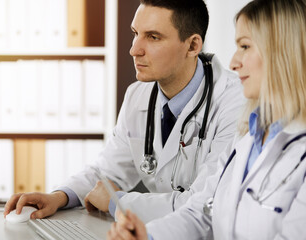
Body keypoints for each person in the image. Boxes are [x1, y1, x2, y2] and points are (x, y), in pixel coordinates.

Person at [4, 0, 244, 223]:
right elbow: (106, 172)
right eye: (135, 34)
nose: (134, 50)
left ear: (192, 45)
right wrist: (59, 197)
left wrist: (118, 202)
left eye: (153, 37)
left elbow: (206, 203)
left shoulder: (236, 101)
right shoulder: (137, 95)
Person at [107, 0, 306, 239]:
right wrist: (146, 236)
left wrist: (117, 201)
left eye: (245, 46)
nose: (234, 62)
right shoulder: (246, 139)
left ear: (284, 51)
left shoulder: (298, 150)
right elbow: (200, 213)